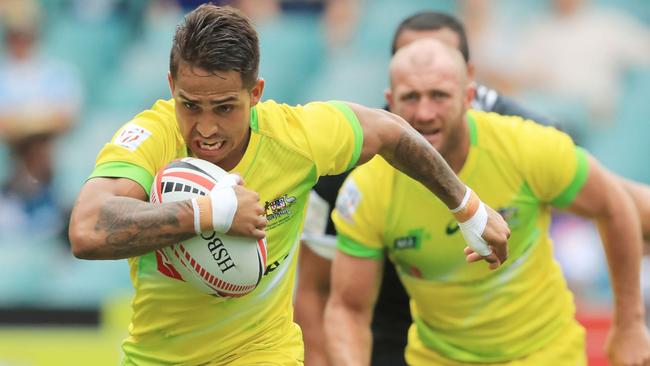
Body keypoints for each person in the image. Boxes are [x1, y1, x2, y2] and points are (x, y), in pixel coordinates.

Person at [67, 5, 510, 365]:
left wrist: (467, 207)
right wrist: (208, 214)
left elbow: (392, 132)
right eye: (190, 105)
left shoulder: (296, 137)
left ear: (255, 92)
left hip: (262, 353)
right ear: (171, 86)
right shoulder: (153, 135)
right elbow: (87, 229)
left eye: (224, 108)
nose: (205, 128)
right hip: (157, 356)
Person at [295, 11, 650, 365]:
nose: (424, 112)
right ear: (391, 99)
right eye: (411, 97)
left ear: (469, 92)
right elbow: (343, 306)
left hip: (543, 353)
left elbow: (616, 203)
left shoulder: (528, 142)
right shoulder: (364, 184)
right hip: (429, 351)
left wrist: (630, 324)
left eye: (439, 95)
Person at [0, 0, 83, 240]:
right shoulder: (4, 75)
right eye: (16, 34)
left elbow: (66, 117)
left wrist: (28, 124)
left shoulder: (57, 72)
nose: (22, 41)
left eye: (26, 33)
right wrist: (33, 123)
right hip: (13, 160)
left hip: (52, 168)